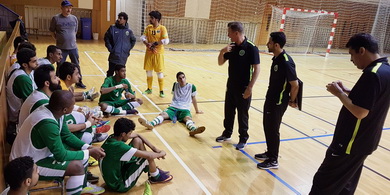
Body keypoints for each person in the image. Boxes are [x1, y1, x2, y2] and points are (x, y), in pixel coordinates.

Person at [310, 33, 390, 194]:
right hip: (365, 142)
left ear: (361, 50)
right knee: (345, 187)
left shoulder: (372, 74)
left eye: (352, 54)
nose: (351, 60)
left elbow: (361, 112)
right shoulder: (385, 70)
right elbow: (372, 98)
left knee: (322, 184)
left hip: (350, 143)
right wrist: (348, 91)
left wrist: (338, 94)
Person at [10, 90, 106, 195]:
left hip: (36, 155)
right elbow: (60, 155)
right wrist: (89, 152)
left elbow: (66, 135)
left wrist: (87, 147)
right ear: (65, 109)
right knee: (77, 167)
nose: (75, 107)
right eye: (73, 105)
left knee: (81, 153)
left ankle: (82, 186)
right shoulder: (47, 123)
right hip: (26, 166)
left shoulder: (55, 111)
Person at [255, 32, 299, 169]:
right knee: (267, 127)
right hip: (271, 99)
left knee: (273, 129)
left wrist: (292, 100)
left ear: (276, 45)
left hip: (278, 102)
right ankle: (269, 152)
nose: (267, 44)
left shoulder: (286, 61)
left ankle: (273, 160)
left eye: (269, 42)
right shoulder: (276, 59)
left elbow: (295, 84)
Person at [215, 22, 260, 150]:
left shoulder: (251, 48)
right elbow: (220, 63)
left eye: (229, 32)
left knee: (242, 114)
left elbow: (257, 69)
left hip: (244, 88)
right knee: (228, 112)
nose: (227, 35)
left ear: (236, 33)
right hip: (231, 86)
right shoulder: (232, 47)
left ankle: (243, 138)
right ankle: (227, 133)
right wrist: (222, 52)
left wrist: (250, 88)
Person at [101, 118, 173, 192]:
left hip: (115, 174)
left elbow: (138, 135)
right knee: (146, 157)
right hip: (119, 185)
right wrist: (161, 153)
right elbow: (149, 156)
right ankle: (155, 176)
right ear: (123, 134)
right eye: (129, 133)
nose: (130, 136)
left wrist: (154, 148)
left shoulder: (112, 137)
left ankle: (152, 170)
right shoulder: (118, 147)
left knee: (137, 140)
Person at [138, 71, 206, 136]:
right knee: (163, 114)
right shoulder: (175, 85)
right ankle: (150, 124)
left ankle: (194, 129)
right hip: (173, 107)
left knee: (188, 119)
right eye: (180, 78)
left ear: (185, 78)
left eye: (183, 77)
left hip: (185, 108)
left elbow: (194, 98)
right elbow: (174, 96)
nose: (182, 80)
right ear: (177, 80)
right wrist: (171, 105)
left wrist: (197, 110)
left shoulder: (192, 86)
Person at [49, 0, 86, 89]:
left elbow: (75, 31)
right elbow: (52, 31)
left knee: (76, 64)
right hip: (61, 48)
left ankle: (79, 82)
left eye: (70, 8)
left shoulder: (74, 18)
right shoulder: (56, 18)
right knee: (60, 66)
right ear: (61, 8)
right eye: (66, 7)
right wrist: (59, 40)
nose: (68, 9)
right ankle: (58, 83)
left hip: (73, 47)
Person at [6, 48, 38, 145]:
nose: (37, 63)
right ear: (25, 64)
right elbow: (33, 103)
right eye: (34, 61)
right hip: (18, 119)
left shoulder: (26, 73)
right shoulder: (22, 79)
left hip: (23, 114)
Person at [17, 65, 61, 133]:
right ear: (47, 83)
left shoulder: (39, 94)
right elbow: (56, 128)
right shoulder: (42, 102)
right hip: (30, 137)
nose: (58, 79)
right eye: (55, 78)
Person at [141, 10, 169, 98]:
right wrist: (146, 43)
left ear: (156, 19)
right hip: (149, 53)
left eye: (152, 18)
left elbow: (166, 41)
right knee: (148, 71)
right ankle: (149, 88)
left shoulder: (162, 28)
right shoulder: (148, 27)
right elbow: (143, 37)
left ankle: (161, 90)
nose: (150, 19)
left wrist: (154, 44)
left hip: (158, 53)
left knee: (159, 72)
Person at [104, 12, 136, 77]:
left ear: (125, 20)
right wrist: (110, 48)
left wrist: (127, 49)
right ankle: (107, 86)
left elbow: (133, 40)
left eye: (121, 18)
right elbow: (106, 38)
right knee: (110, 73)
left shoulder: (128, 31)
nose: (119, 19)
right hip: (114, 55)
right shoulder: (112, 28)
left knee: (121, 74)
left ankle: (119, 87)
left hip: (123, 57)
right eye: (118, 18)